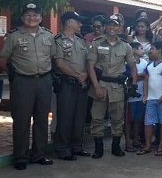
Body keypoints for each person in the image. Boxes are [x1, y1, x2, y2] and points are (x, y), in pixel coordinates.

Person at [0, 3, 56, 170]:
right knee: (22, 120)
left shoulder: (48, 35)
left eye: (35, 15)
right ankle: (20, 157)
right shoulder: (14, 36)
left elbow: (52, 57)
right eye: (28, 15)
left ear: (41, 17)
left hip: (44, 81)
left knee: (42, 119)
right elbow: (3, 59)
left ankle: (39, 155)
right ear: (22, 18)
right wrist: (14, 76)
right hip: (23, 81)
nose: (32, 18)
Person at [87, 15, 137, 158]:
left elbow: (133, 66)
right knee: (97, 118)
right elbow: (90, 65)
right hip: (100, 84)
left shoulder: (126, 46)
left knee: (117, 119)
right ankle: (98, 148)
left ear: (120, 28)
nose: (112, 28)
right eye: (109, 24)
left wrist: (133, 84)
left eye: (115, 25)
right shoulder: (96, 43)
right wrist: (96, 86)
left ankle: (116, 146)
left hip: (117, 86)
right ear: (105, 27)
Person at [53, 11, 90, 161]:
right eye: (78, 21)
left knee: (79, 116)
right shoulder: (58, 40)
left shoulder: (80, 40)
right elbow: (60, 64)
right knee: (65, 116)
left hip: (82, 83)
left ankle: (77, 146)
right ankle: (63, 148)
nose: (80, 24)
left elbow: (87, 60)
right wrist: (78, 76)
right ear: (69, 22)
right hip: (66, 83)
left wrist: (85, 75)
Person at [140, 41, 162, 156]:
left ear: (159, 50)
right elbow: (146, 80)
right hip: (151, 98)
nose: (150, 51)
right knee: (148, 123)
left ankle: (161, 146)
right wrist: (145, 95)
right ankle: (147, 145)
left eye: (152, 48)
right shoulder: (149, 65)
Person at [125, 42, 147, 152]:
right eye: (140, 48)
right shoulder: (126, 62)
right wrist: (139, 76)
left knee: (138, 119)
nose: (143, 50)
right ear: (133, 50)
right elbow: (128, 77)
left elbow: (146, 76)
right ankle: (128, 141)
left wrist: (136, 77)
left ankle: (136, 140)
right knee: (129, 120)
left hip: (141, 95)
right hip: (130, 97)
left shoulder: (144, 62)